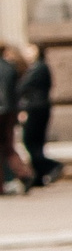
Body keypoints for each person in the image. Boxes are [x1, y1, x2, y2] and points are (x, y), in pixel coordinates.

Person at [16, 44, 54, 186]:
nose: (26, 52)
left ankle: (50, 165)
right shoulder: (36, 67)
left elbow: (23, 87)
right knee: (35, 142)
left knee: (30, 141)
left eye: (30, 49)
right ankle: (39, 175)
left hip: (35, 107)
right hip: (38, 106)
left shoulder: (38, 68)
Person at [0, 45, 29, 194]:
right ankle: (24, 173)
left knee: (6, 147)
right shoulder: (10, 67)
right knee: (8, 146)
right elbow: (17, 91)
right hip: (10, 111)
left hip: (3, 110)